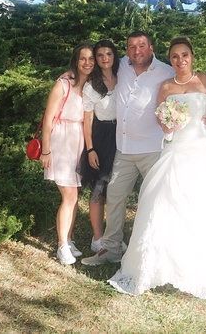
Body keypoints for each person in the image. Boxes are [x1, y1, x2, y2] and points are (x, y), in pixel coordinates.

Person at [108, 37, 206, 298]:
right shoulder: (165, 87)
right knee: (167, 200)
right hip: (177, 148)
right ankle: (167, 263)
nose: (180, 60)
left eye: (184, 55)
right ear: (170, 59)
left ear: (192, 56)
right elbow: (162, 122)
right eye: (174, 56)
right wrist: (169, 124)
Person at [81, 31, 206, 266]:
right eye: (131, 47)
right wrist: (69, 76)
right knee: (114, 198)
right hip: (123, 148)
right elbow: (93, 65)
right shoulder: (121, 65)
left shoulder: (166, 71)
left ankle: (154, 251)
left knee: (156, 202)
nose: (136, 51)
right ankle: (111, 249)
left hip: (154, 149)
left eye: (141, 46)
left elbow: (191, 87)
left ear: (151, 48)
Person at [40, 44, 95, 265]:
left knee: (75, 194)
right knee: (69, 196)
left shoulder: (91, 86)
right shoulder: (63, 84)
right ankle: (62, 245)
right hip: (61, 142)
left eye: (91, 59)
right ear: (75, 60)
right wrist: (46, 150)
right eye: (83, 59)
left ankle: (69, 239)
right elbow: (48, 119)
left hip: (78, 141)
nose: (87, 63)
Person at [78, 39, 119, 253]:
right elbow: (87, 120)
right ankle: (97, 238)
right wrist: (90, 148)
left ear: (114, 56)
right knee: (98, 189)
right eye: (100, 55)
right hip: (100, 137)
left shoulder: (122, 78)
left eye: (109, 54)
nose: (105, 59)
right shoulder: (91, 85)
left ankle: (113, 235)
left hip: (121, 136)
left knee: (116, 190)